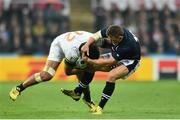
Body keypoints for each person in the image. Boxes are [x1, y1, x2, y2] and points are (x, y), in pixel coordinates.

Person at [9, 31, 100, 110]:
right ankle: (18, 88)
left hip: (72, 41)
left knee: (85, 68)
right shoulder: (72, 53)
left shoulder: (94, 39)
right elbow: (67, 72)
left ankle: (87, 99)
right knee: (46, 75)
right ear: (84, 52)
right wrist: (84, 67)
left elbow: (107, 40)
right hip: (59, 44)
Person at [63, 25, 141, 114]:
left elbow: (110, 61)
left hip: (130, 61)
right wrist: (87, 45)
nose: (111, 41)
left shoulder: (128, 45)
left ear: (120, 38)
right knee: (90, 66)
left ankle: (100, 108)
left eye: (113, 40)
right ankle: (77, 92)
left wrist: (89, 60)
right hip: (119, 54)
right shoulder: (113, 30)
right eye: (109, 38)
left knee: (112, 76)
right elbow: (96, 35)